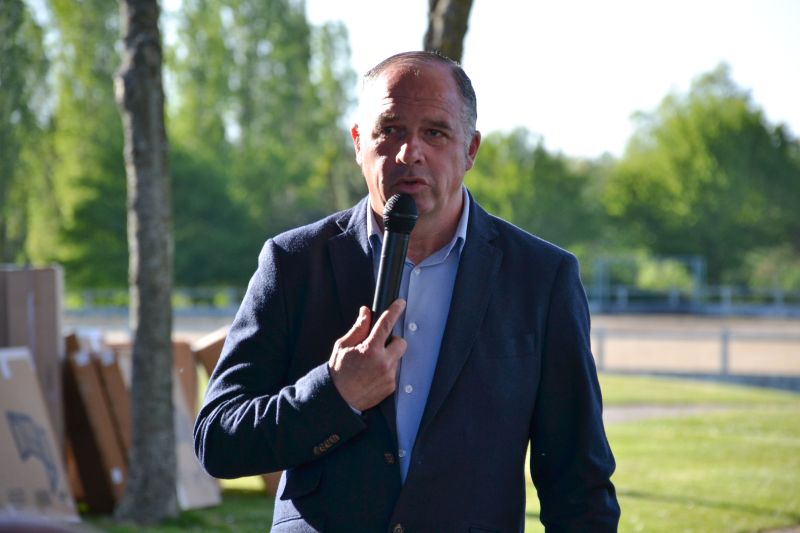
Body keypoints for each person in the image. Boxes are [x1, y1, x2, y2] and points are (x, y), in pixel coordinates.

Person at [194, 51, 620, 532]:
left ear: (470, 150)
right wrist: (335, 394)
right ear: (359, 142)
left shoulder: (541, 277)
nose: (408, 153)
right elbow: (218, 439)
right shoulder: (292, 263)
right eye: (390, 130)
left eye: (435, 133)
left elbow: (578, 483)